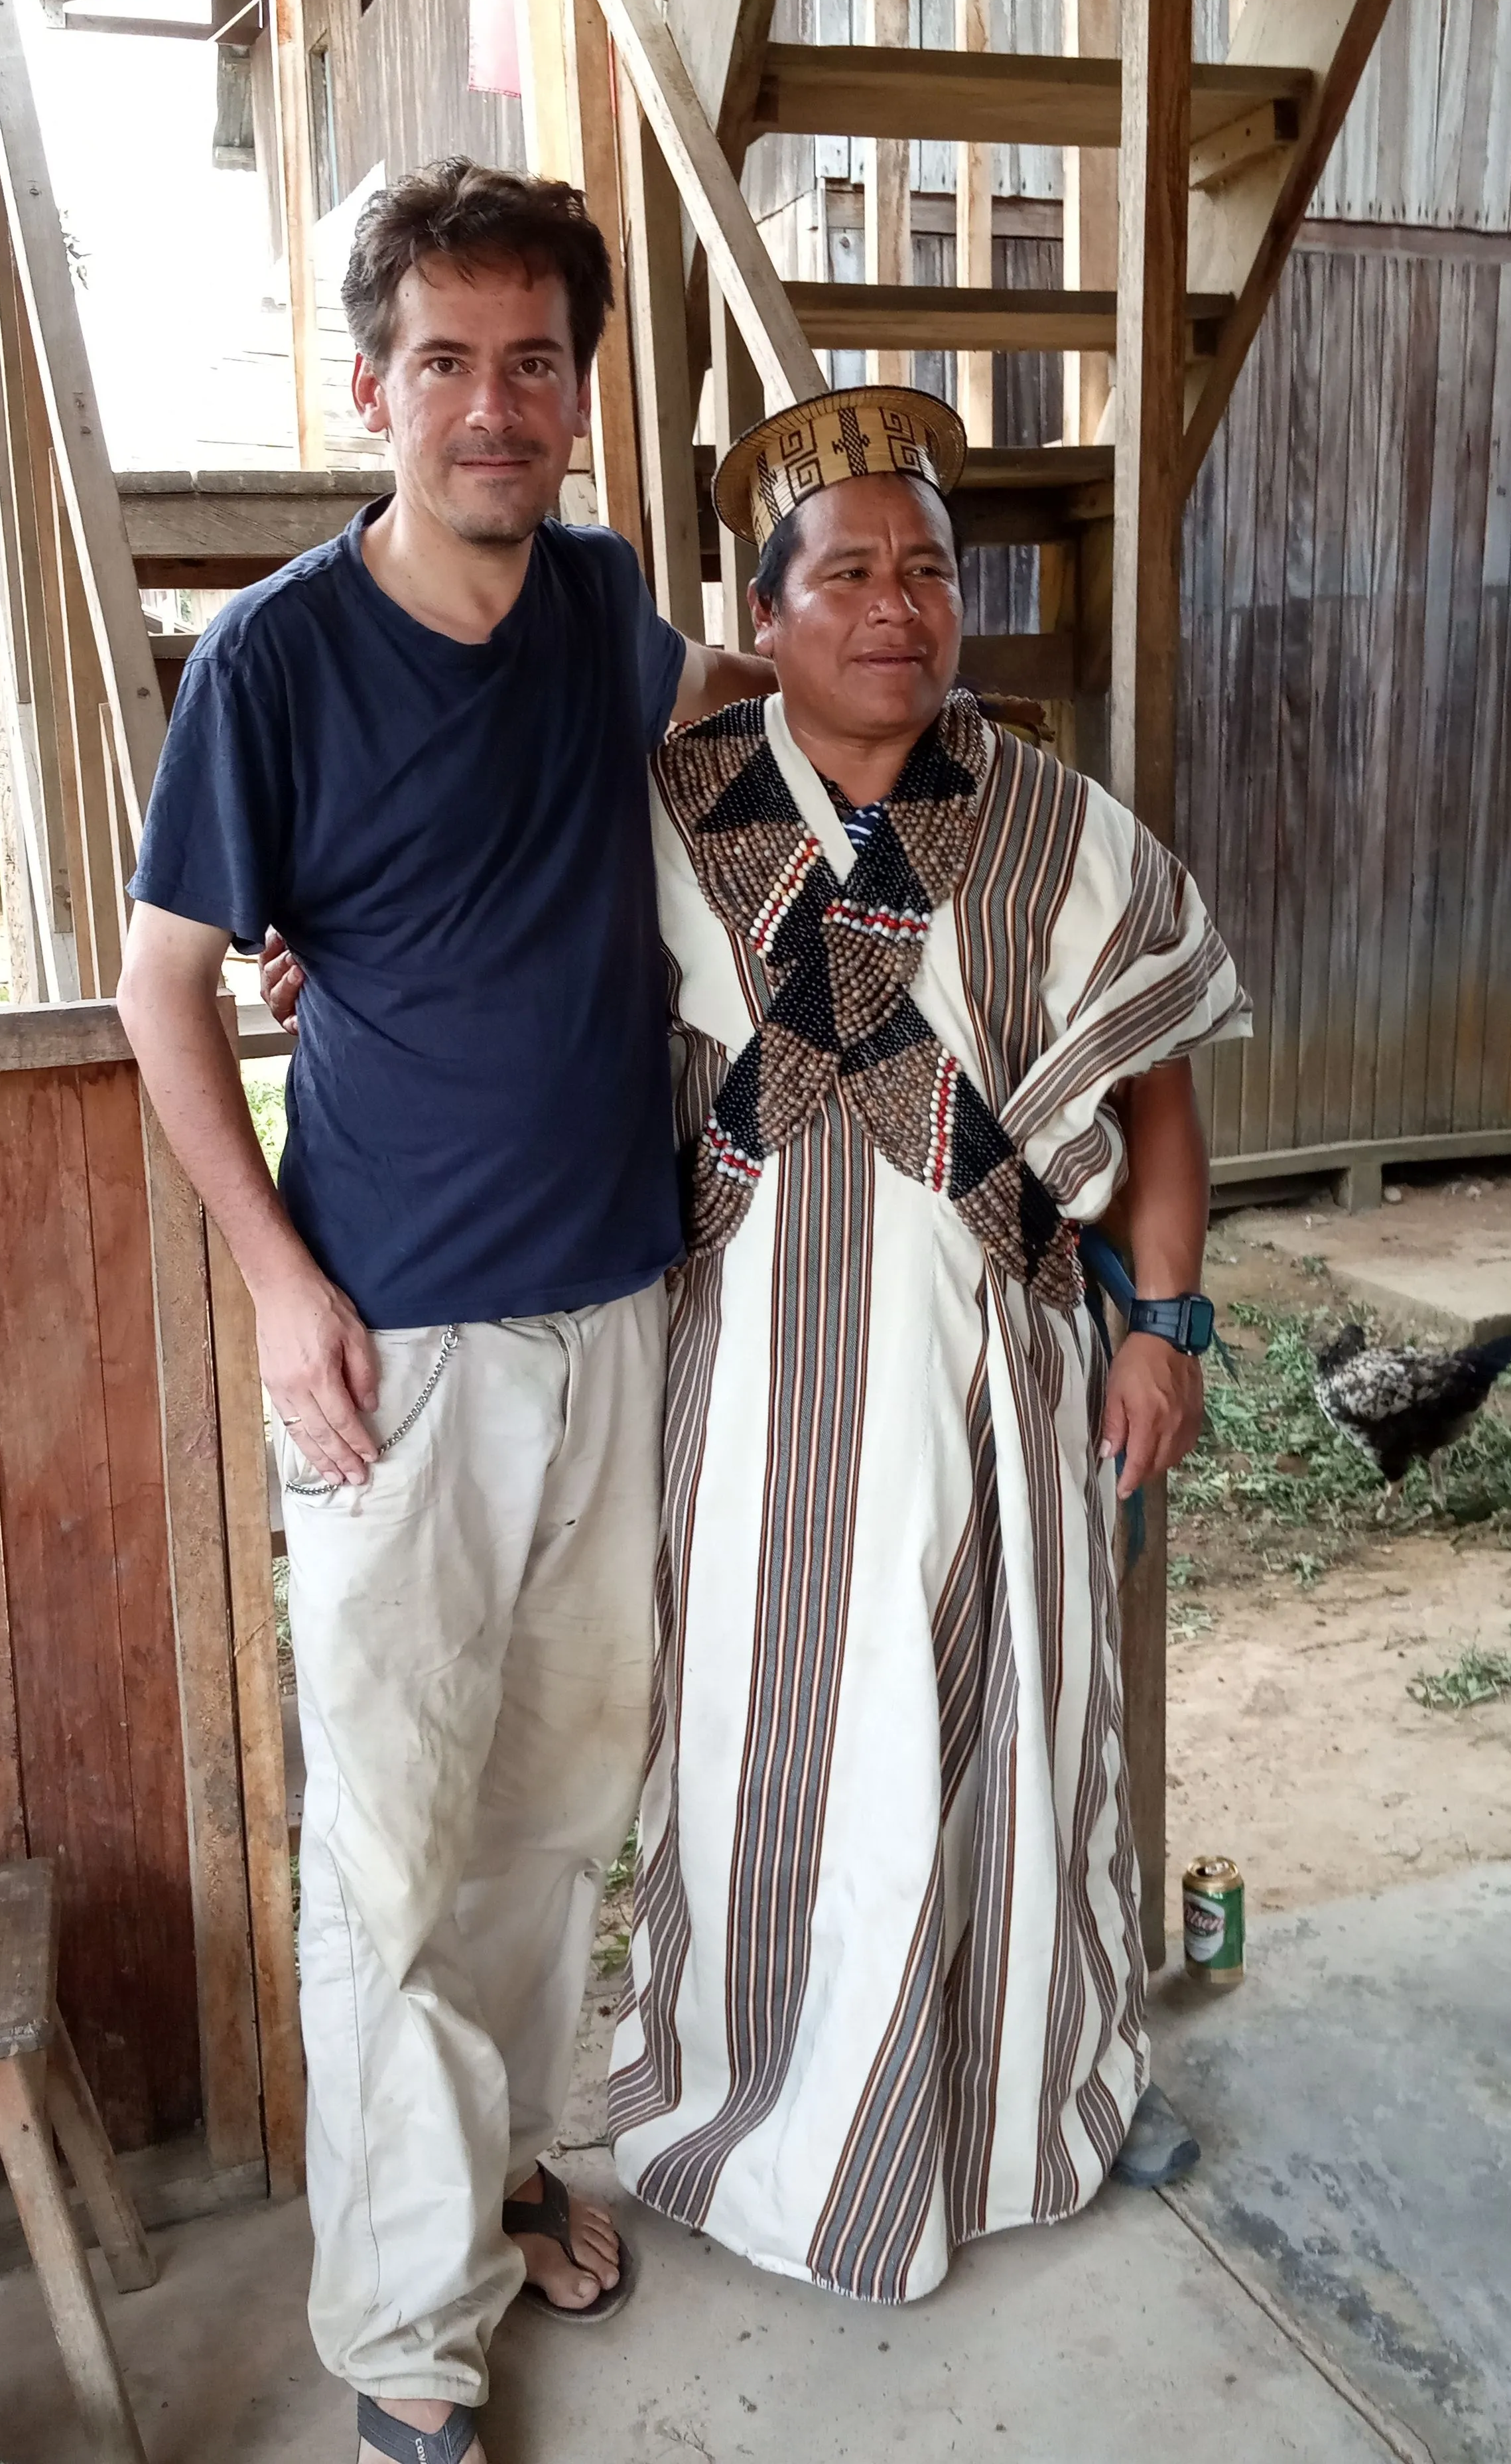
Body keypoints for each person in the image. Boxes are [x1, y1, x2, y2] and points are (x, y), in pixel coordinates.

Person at [115, 159, 771, 2464]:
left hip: (615, 1314)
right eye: (447, 363)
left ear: (576, 394)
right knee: (393, 1839)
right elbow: (166, 986)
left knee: (547, 1814)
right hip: (395, 1346)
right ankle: (407, 2332)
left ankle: (492, 2177)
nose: (494, 405)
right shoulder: (281, 660)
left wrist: (872, 644)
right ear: (372, 384)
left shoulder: (605, 609)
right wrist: (282, 1285)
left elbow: (752, 701)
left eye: (534, 363)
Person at [607, 387, 1249, 2303]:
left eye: (928, 573)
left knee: (1013, 1745)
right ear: (768, 610)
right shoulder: (667, 816)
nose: (897, 607)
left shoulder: (1052, 821)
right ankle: (756, 2112)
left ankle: (1034, 2087)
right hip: (759, 1391)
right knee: (771, 1751)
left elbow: (1159, 1102)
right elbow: (491, 972)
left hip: (1001, 1366)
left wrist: (1166, 1326)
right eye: (849, 573)